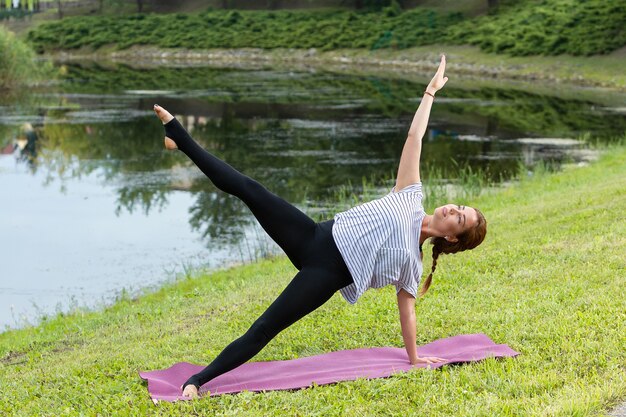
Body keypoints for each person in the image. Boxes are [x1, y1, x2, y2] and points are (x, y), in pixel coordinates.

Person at [153, 55, 487, 398]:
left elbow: (408, 312)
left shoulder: (412, 266)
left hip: (326, 274)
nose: (451, 209)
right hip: (313, 235)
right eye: (459, 207)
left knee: (266, 328)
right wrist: (430, 92)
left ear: (451, 236)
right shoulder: (410, 194)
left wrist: (414, 357)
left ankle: (196, 381)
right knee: (251, 189)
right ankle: (180, 138)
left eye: (459, 218)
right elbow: (415, 137)